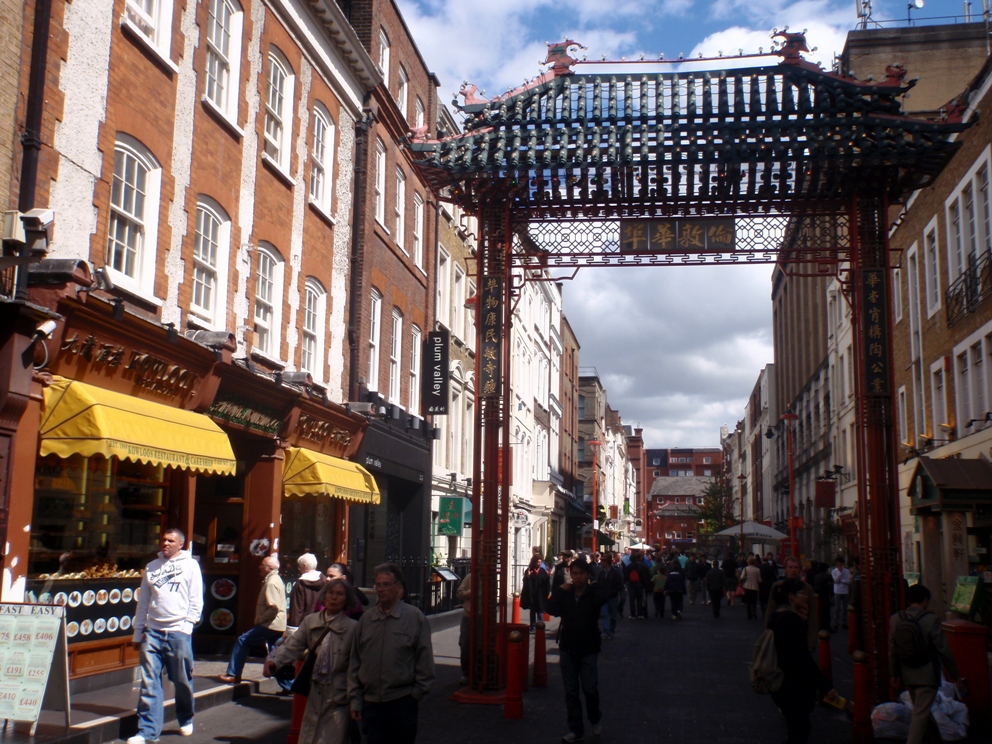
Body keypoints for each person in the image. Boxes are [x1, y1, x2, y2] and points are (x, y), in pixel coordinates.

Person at [128, 528, 203, 744]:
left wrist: (187, 626)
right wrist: (138, 631)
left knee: (181, 679)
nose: (166, 543)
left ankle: (186, 717)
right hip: (152, 631)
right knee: (150, 681)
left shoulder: (190, 566)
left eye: (171, 540)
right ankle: (148, 732)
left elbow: (196, 599)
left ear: (181, 544)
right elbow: (143, 602)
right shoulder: (151, 567)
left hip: (178, 631)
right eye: (163, 540)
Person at [348, 563, 435, 744]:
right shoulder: (367, 619)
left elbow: (424, 659)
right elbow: (355, 660)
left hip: (401, 701)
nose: (381, 589)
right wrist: (356, 699)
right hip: (371, 702)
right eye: (378, 584)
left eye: (386, 584)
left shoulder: (414, 617)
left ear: (399, 587)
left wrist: (416, 694)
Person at [264, 579, 358, 744]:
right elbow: (293, 645)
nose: (334, 598)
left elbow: (356, 667)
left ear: (346, 600)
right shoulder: (311, 621)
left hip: (340, 696)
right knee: (310, 737)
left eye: (339, 594)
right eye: (331, 593)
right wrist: (275, 661)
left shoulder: (354, 628)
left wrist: (356, 700)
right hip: (315, 692)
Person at [889, 583, 962, 744]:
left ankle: (935, 739)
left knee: (923, 711)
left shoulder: (896, 619)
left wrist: (894, 673)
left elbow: (892, 649)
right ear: (925, 600)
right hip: (927, 674)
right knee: (920, 713)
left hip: (907, 672)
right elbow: (943, 650)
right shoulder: (931, 620)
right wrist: (955, 674)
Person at [768, 578, 839, 743]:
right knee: (799, 729)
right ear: (791, 596)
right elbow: (801, 658)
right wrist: (825, 685)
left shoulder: (777, 616)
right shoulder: (791, 620)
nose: (807, 597)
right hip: (794, 684)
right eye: (802, 594)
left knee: (796, 727)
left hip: (781, 680)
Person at [547, 557, 606, 743]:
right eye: (575, 574)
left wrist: (593, 584)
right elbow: (550, 608)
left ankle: (595, 719)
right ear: (570, 575)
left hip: (588, 649)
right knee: (571, 692)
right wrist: (558, 590)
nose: (578, 577)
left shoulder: (593, 593)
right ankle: (575, 729)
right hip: (568, 648)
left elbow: (605, 595)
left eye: (581, 573)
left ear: (587, 574)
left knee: (589, 689)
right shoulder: (565, 594)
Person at [220, 555, 287, 683]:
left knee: (243, 640)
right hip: (277, 624)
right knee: (276, 653)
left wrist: (260, 619)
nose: (259, 567)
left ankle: (233, 674)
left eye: (262, 565)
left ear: (270, 568)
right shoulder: (276, 579)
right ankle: (288, 686)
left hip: (270, 624)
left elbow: (274, 608)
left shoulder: (271, 582)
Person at [765, 556, 818, 653]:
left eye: (796, 567)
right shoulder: (777, 587)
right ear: (785, 569)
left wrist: (812, 642)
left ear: (800, 570)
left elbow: (813, 615)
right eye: (790, 567)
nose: (793, 570)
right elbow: (770, 610)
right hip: (780, 632)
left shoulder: (807, 588)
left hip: (801, 632)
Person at [289, 553, 328, 630]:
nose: (299, 569)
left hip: (305, 626)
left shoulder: (300, 584)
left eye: (299, 566)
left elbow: (297, 610)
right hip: (324, 623)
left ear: (305, 565)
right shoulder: (326, 581)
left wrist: (293, 629)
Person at [521, 556, 551, 631]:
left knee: (540, 610)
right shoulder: (529, 570)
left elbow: (546, 582)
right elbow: (525, 582)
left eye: (540, 562)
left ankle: (540, 625)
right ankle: (533, 625)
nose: (539, 564)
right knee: (533, 610)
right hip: (532, 594)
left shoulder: (542, 571)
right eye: (538, 562)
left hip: (540, 594)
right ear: (534, 562)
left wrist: (548, 592)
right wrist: (527, 576)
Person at [599, 554, 623, 638]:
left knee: (613, 615)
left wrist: (614, 592)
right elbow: (599, 584)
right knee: (604, 614)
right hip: (604, 597)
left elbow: (619, 584)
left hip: (612, 597)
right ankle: (606, 631)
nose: (601, 562)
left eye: (602, 560)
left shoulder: (615, 572)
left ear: (606, 562)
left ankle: (611, 631)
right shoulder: (601, 572)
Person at [455, 572, 472, 685]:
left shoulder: (489, 578)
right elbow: (459, 593)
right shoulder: (469, 578)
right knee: (465, 645)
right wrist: (470, 592)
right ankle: (466, 674)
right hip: (469, 617)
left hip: (483, 617)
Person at [830, 557, 851, 632]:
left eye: (841, 564)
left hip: (845, 591)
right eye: (838, 564)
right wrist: (839, 573)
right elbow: (836, 580)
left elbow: (849, 581)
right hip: (837, 591)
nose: (840, 566)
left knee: (845, 608)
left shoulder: (847, 571)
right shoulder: (834, 571)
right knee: (837, 608)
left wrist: (842, 581)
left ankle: (844, 623)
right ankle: (836, 623)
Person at [624, 553, 648, 619]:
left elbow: (626, 576)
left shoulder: (628, 566)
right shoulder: (640, 566)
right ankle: (639, 613)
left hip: (631, 584)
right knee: (639, 599)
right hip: (639, 583)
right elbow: (643, 576)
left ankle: (632, 614)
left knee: (632, 599)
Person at [741, 555, 762, 621]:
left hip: (747, 586)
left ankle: (749, 614)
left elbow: (742, 577)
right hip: (755, 586)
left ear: (748, 562)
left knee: (748, 601)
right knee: (754, 600)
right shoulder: (757, 570)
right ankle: (754, 611)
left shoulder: (746, 569)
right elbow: (759, 580)